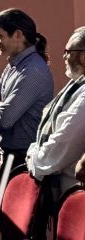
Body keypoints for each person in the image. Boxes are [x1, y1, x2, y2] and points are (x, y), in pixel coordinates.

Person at [0, 8, 53, 166]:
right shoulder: (13, 66)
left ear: (18, 35)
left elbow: (5, 120)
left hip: (24, 160)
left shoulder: (32, 70)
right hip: (12, 155)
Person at [27, 26, 85, 198]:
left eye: (68, 51)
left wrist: (34, 159)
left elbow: (64, 141)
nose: (64, 56)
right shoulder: (75, 86)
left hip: (75, 192)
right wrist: (35, 152)